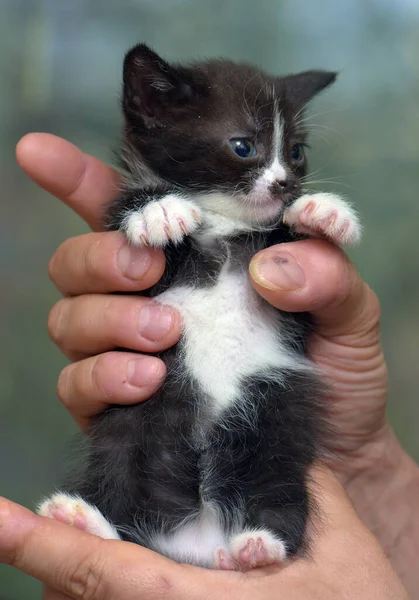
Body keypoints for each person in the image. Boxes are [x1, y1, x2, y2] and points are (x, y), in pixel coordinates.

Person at [0, 132, 417, 599]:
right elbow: (142, 224)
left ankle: (254, 538)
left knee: (275, 453)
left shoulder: (275, 235)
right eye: (245, 147)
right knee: (129, 432)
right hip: (165, 429)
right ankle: (115, 529)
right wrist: (146, 208)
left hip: (256, 447)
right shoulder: (168, 215)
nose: (281, 174)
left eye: (294, 153)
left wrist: (308, 226)